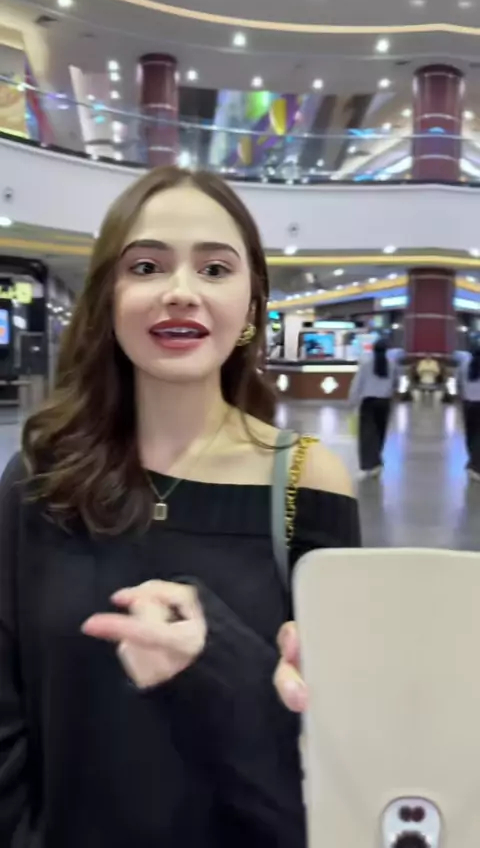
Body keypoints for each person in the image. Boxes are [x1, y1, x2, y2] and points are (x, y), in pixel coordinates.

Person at [0, 166, 361, 848]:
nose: (181, 292)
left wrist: (222, 661)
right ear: (109, 297)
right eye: (146, 266)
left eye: (215, 269)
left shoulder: (308, 481)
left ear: (251, 305)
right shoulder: (40, 481)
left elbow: (336, 736)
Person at [349, 338, 397, 477]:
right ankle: (377, 462)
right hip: (384, 402)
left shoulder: (366, 364)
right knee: (380, 433)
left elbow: (357, 384)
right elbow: (396, 384)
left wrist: (352, 401)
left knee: (367, 435)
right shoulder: (392, 365)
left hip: (369, 403)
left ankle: (368, 465)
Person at [457, 342, 480, 481]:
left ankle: (471, 460)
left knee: (470, 434)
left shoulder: (464, 365)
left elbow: (458, 384)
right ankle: (475, 466)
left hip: (467, 404)